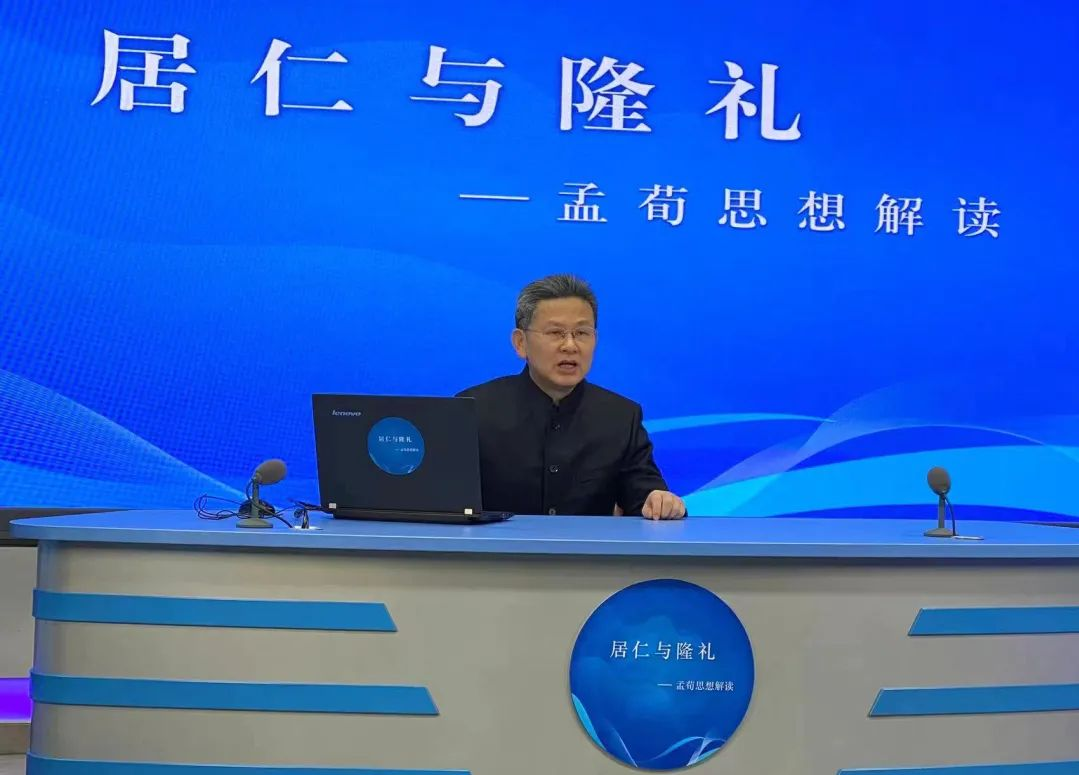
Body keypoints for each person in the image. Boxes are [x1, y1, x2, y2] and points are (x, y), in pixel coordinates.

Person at [458, 274, 686, 520]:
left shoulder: (621, 417)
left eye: (581, 333)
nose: (570, 345)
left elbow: (644, 497)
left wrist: (660, 501)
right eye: (556, 332)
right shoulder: (473, 410)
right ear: (520, 343)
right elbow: (447, 503)